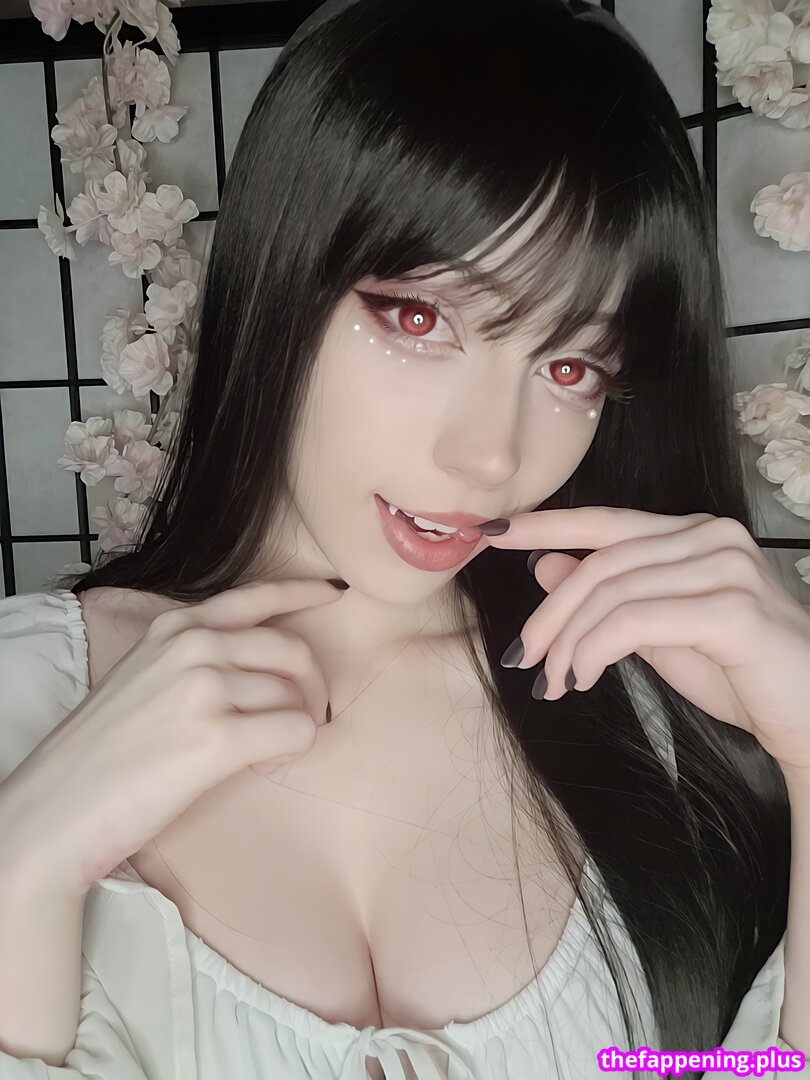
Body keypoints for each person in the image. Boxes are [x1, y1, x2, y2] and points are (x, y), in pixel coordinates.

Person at [1, 0, 809, 1078]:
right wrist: (22, 862)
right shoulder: (31, 697)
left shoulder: (656, 712)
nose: (491, 456)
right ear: (281, 274)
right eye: (422, 320)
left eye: (570, 367)